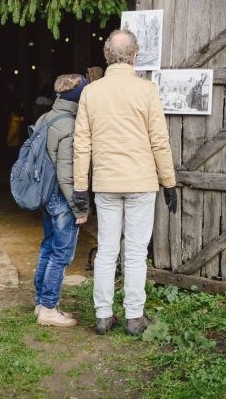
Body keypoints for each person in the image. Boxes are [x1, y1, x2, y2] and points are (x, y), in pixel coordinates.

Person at [72, 29, 178, 336]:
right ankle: (134, 317)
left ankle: (103, 316)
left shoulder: (91, 92)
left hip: (106, 182)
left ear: (107, 56)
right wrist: (168, 182)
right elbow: (159, 140)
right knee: (134, 251)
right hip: (142, 181)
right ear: (134, 56)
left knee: (106, 250)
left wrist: (81, 188)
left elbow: (82, 144)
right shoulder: (147, 90)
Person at [33, 74, 88, 327]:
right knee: (62, 253)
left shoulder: (46, 117)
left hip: (46, 194)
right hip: (62, 197)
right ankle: (48, 308)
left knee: (48, 246)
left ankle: (41, 302)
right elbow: (67, 174)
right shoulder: (71, 126)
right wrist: (80, 207)